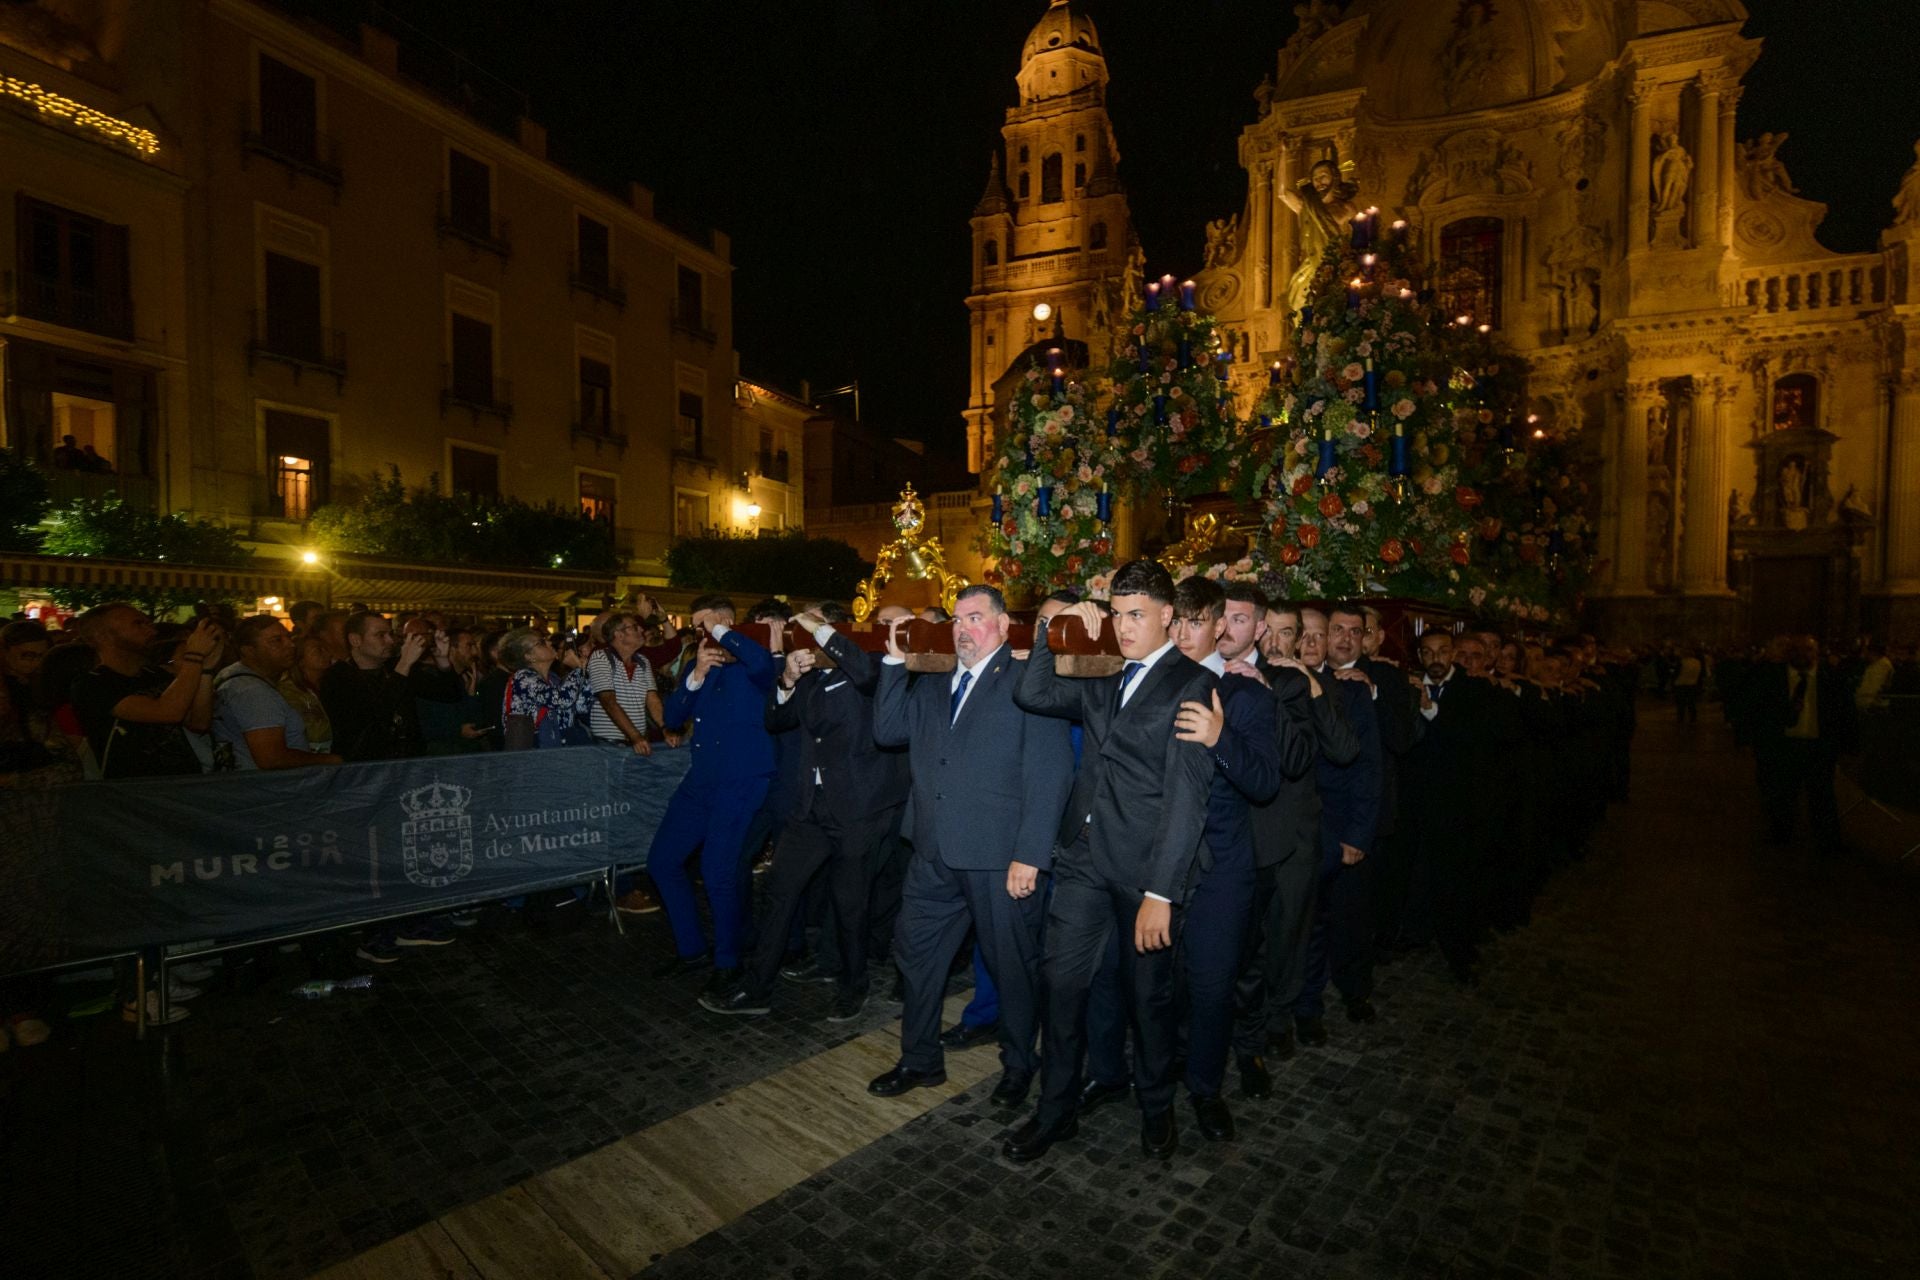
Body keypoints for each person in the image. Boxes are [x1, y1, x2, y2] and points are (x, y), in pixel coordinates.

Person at [1006, 559, 1216, 1164]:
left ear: (1167, 617)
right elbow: (1034, 691)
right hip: (1082, 859)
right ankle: (1056, 1111)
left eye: (1137, 616)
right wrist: (1058, 629)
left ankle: (1156, 1109)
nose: (1124, 628)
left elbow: (1186, 800)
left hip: (1144, 869)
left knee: (1147, 1000)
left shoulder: (1191, 684)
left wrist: (1161, 893)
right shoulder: (1102, 673)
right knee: (1061, 984)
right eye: (1118, 615)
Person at [863, 586, 1075, 1109]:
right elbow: (889, 731)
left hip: (1000, 859)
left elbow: (1051, 772)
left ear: (1004, 626)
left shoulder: (1027, 681)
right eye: (957, 620)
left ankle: (1020, 1065)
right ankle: (919, 1059)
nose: (963, 629)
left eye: (976, 618)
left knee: (1013, 969)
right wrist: (894, 659)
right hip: (934, 853)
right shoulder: (934, 683)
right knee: (917, 958)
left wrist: (1030, 854)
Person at [702, 603, 909, 1022]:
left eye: (809, 628)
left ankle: (854, 985)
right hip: (811, 809)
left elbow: (868, 676)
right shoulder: (814, 676)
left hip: (859, 809)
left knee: (850, 904)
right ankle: (757, 985)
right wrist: (789, 680)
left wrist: (820, 629)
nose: (801, 636)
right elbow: (777, 720)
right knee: (779, 890)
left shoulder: (873, 664)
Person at [1155, 576, 1285, 1141]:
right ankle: (1161, 1076)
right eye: (1176, 621)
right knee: (1162, 983)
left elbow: (1263, 781)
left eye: (1196, 622)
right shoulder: (1149, 685)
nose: (1184, 633)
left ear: (1217, 628)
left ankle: (1206, 1089)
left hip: (1222, 869)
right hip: (1159, 866)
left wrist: (1219, 738)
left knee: (1211, 986)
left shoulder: (1248, 695)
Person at [1231, 597, 1358, 1088]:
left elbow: (1340, 751)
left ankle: (1279, 1020)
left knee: (1290, 933)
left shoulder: (1312, 683)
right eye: (1282, 632)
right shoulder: (1244, 673)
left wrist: (1311, 685)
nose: (1290, 644)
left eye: (1299, 634)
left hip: (1297, 831)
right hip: (1247, 828)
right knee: (1248, 940)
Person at [646, 594, 779, 988]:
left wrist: (722, 630)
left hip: (743, 780)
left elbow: (762, 666)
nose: (698, 633)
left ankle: (729, 961)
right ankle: (692, 949)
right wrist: (696, 675)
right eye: (696, 625)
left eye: (703, 624)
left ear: (724, 622)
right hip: (701, 780)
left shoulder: (755, 657)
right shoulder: (699, 662)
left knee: (717, 870)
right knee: (662, 861)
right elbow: (672, 718)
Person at [1289, 604, 1384, 1045]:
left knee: (1331, 923)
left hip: (1334, 829)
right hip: (1288, 831)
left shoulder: (1351, 691)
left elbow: (1367, 770)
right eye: (1302, 635)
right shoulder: (1272, 680)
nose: (1310, 644)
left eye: (1317, 636)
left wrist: (1357, 834)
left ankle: (1316, 1006)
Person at [1752, 635, 1858, 858]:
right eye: (1797, 650)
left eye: (1808, 650)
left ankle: (1828, 840)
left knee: (1822, 795)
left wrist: (1849, 748)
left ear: (1816, 652)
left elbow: (1846, 714)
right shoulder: (1771, 677)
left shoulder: (1832, 678)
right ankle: (1781, 834)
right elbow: (1760, 711)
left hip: (1819, 746)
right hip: (1785, 744)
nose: (1803, 655)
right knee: (1783, 793)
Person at [212, 615, 341, 770]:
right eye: (276, 640)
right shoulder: (253, 691)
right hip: (266, 787)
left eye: (287, 637)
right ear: (249, 651)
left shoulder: (233, 675)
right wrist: (330, 760)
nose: (290, 645)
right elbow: (272, 759)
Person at [320, 612, 425, 762]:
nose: (390, 641)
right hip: (366, 768)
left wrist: (444, 663)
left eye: (390, 634)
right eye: (380, 635)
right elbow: (371, 717)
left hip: (407, 763)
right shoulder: (337, 677)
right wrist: (403, 666)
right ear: (355, 640)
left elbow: (447, 695)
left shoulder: (392, 668)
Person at [499, 628, 592, 750]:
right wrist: (577, 670)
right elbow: (563, 700)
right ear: (529, 656)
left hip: (562, 745)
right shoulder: (523, 678)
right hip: (537, 750)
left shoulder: (553, 679)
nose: (549, 643)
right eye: (541, 643)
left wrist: (585, 670)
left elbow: (581, 706)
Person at [278, 633, 335, 753]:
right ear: (301, 660)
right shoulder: (288, 692)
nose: (328, 654)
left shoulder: (332, 686)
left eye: (326, 649)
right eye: (318, 650)